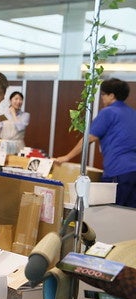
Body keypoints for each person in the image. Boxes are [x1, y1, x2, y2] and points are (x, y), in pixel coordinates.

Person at [55, 78, 136, 208]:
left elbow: (89, 138)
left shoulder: (108, 112)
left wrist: (67, 157)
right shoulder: (133, 113)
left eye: (103, 94)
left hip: (118, 171)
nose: (102, 97)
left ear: (111, 95)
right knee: (129, 214)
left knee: (111, 212)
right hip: (133, 172)